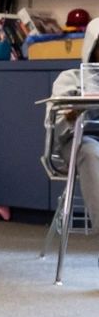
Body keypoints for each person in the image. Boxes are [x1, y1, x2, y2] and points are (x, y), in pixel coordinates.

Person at [47, 16, 99, 218]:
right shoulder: (69, 79)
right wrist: (75, 111)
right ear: (92, 48)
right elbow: (55, 127)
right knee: (92, 152)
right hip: (76, 143)